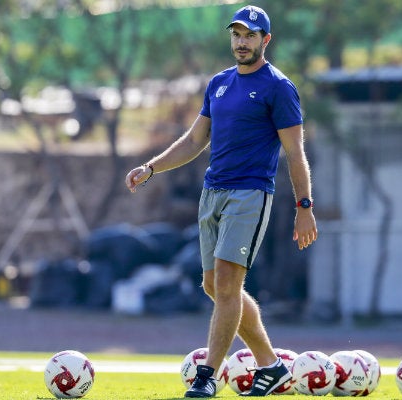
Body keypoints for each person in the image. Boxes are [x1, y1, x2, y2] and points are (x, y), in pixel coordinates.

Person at [125, 5, 317, 398]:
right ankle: (271, 365)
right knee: (213, 285)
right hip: (212, 193)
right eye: (236, 34)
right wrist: (151, 167)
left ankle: (207, 376)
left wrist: (304, 208)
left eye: (250, 35)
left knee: (229, 285)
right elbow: (196, 141)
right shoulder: (219, 83)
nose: (241, 41)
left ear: (265, 40)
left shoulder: (278, 87)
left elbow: (295, 153)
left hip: (250, 194)